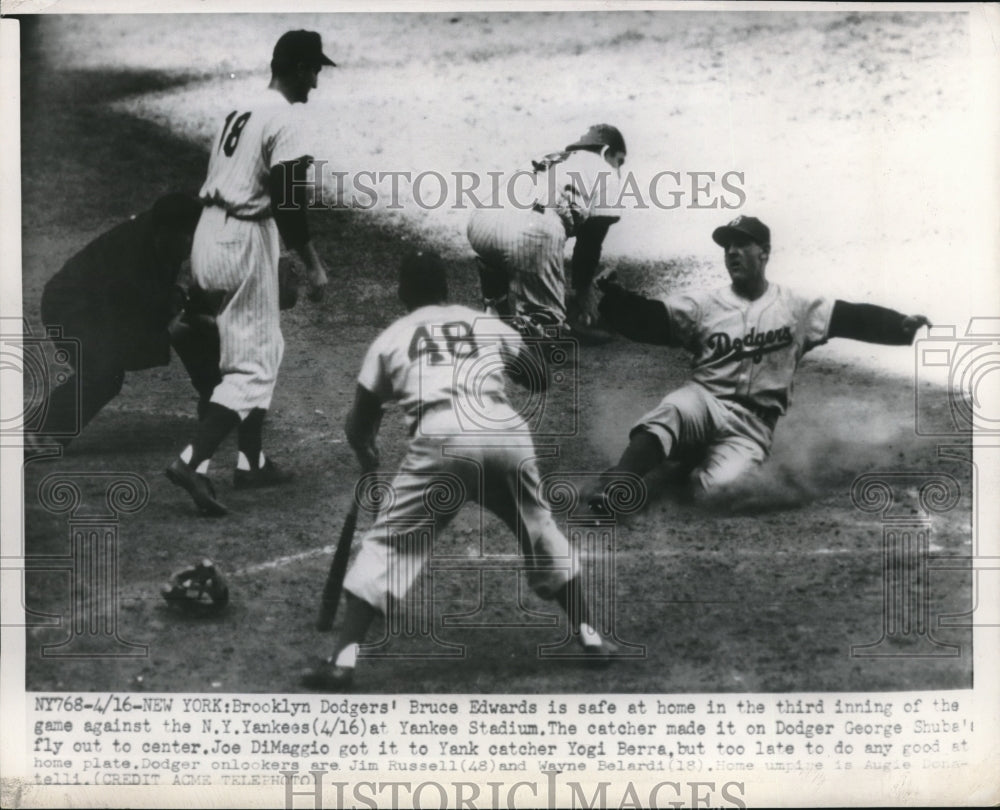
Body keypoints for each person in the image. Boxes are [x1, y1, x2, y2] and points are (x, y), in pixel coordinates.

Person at [300, 250, 616, 691]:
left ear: (402, 293)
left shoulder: (391, 337)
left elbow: (359, 421)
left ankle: (343, 660)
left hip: (443, 438)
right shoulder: (482, 322)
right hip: (505, 430)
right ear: (447, 290)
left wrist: (366, 451)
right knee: (540, 528)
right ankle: (591, 636)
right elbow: (539, 379)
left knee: (391, 543)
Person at [589, 214, 932, 510]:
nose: (732, 252)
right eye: (727, 247)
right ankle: (619, 486)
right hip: (704, 402)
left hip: (752, 426)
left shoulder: (796, 306)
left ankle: (684, 464)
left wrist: (898, 325)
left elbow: (850, 317)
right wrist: (615, 299)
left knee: (721, 491)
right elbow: (652, 320)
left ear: (764, 253)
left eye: (742, 244)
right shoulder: (704, 304)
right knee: (674, 409)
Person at [165, 30, 333, 517]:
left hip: (211, 233)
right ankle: (191, 463)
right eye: (315, 71)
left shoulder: (243, 108)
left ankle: (251, 461)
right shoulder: (287, 119)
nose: (316, 83)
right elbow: (287, 202)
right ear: (299, 68)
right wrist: (314, 264)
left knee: (264, 345)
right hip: (244, 238)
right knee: (253, 365)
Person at [30, 193, 214, 449]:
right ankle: (38, 431)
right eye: (189, 236)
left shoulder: (163, 236)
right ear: (163, 232)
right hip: (71, 309)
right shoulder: (128, 260)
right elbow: (121, 332)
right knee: (105, 372)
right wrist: (167, 334)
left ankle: (218, 399)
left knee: (191, 314)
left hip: (116, 301)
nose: (194, 243)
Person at [466, 124, 626, 342]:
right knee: (549, 332)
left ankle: (495, 307)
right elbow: (590, 242)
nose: (618, 169)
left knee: (509, 247)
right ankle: (533, 328)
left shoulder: (551, 156)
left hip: (481, 222)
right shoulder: (604, 171)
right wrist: (583, 292)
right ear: (605, 151)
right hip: (529, 230)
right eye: (619, 160)